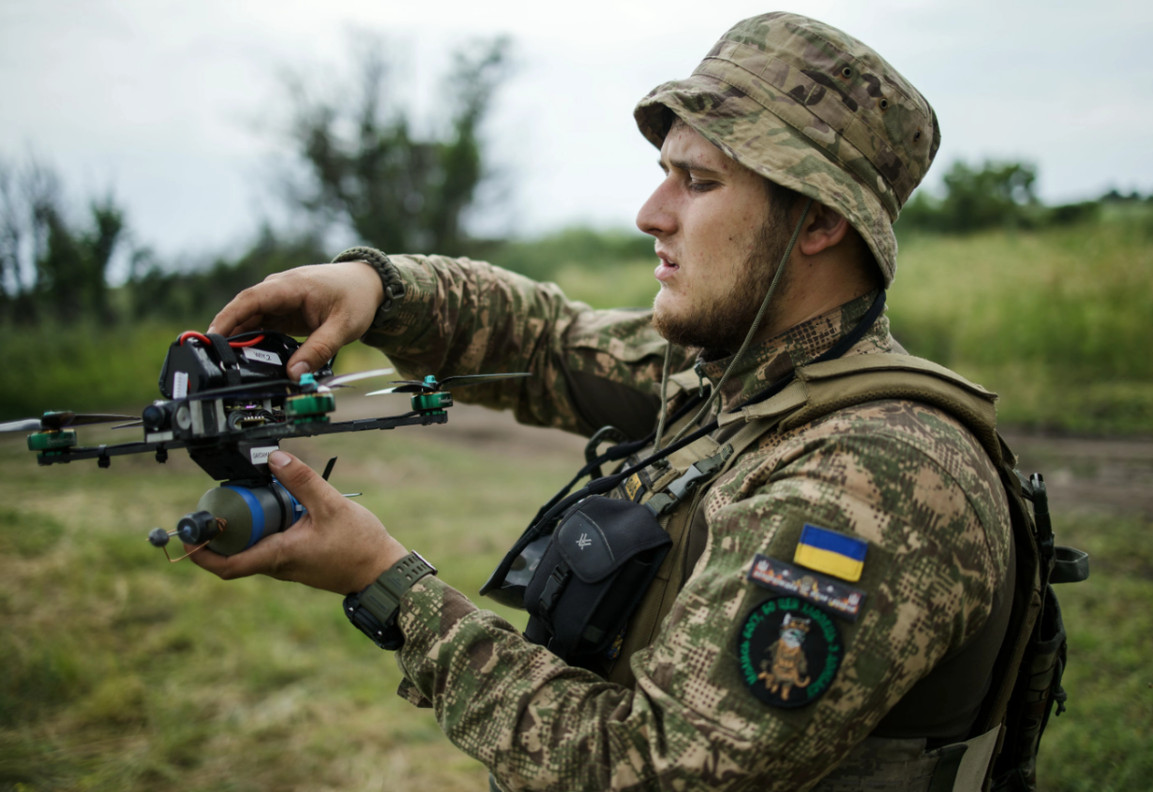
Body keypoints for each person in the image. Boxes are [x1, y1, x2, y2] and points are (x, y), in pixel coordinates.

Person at [193, 12, 1016, 791]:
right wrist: (380, 288)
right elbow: (546, 341)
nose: (651, 215)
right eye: (664, 175)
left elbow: (648, 770)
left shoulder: (875, 475)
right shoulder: (743, 378)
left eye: (698, 182)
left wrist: (388, 585)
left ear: (819, 222)